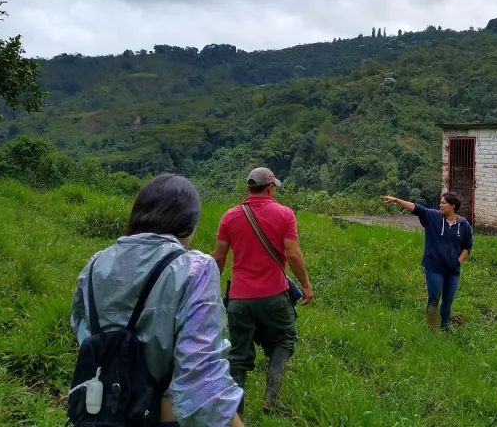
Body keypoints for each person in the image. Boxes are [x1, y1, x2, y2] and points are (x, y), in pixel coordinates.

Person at [70, 173, 244, 427]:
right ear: (189, 223)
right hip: (163, 416)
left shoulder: (96, 263)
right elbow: (201, 373)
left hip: (101, 412)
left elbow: (82, 328)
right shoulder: (196, 268)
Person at [213, 167, 314, 416]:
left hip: (239, 300)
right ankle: (271, 399)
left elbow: (219, 258)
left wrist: (210, 291)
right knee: (284, 340)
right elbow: (292, 253)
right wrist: (306, 285)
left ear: (249, 189)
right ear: (270, 187)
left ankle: (237, 413)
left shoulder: (229, 217)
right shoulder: (284, 214)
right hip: (274, 297)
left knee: (238, 356)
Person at [381, 192, 473, 331]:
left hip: (452, 269)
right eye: (440, 202)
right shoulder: (433, 217)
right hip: (434, 266)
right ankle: (432, 329)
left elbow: (467, 246)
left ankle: (445, 327)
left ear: (453, 206)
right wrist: (396, 200)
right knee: (434, 298)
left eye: (444, 203)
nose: (440, 205)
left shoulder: (463, 224)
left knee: (448, 301)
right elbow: (416, 208)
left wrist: (458, 262)